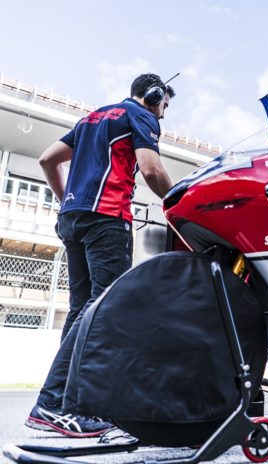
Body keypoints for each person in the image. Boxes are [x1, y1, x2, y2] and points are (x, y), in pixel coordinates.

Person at [26, 74, 175, 437]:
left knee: (81, 308)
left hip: (72, 219)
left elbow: (47, 160)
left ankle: (68, 402)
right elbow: (152, 169)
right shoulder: (141, 115)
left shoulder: (91, 118)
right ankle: (53, 403)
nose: (164, 114)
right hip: (106, 217)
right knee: (102, 308)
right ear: (153, 96)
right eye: (165, 106)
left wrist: (69, 201)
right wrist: (179, 204)